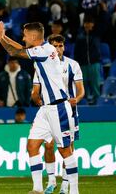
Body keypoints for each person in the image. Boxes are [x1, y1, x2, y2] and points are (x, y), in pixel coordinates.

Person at [0, 20, 79, 194]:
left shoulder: (46, 50)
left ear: (33, 36)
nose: (23, 38)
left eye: (25, 35)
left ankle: (74, 191)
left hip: (58, 107)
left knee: (64, 150)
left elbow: (14, 51)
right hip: (46, 109)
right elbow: (19, 48)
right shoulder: (42, 50)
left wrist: (1, 37)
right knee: (32, 145)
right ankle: (38, 188)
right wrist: (5, 37)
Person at [32, 34, 84, 194]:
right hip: (50, 109)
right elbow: (36, 89)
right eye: (55, 45)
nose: (58, 48)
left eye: (61, 46)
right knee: (48, 145)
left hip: (68, 111)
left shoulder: (72, 65)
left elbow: (80, 89)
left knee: (68, 148)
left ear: (64, 47)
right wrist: (37, 99)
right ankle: (51, 181)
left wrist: (77, 98)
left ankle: (65, 185)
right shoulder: (42, 64)